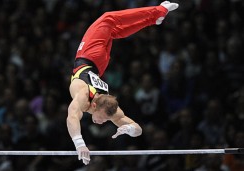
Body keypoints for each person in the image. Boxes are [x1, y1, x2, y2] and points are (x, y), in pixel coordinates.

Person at [67, 1, 179, 165]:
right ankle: (158, 11)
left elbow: (138, 129)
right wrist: (80, 144)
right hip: (91, 56)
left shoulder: (108, 107)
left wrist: (130, 129)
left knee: (113, 30)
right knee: (108, 19)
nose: (104, 121)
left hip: (98, 63)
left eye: (106, 119)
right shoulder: (84, 94)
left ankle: (154, 18)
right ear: (96, 106)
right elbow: (71, 117)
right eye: (106, 119)